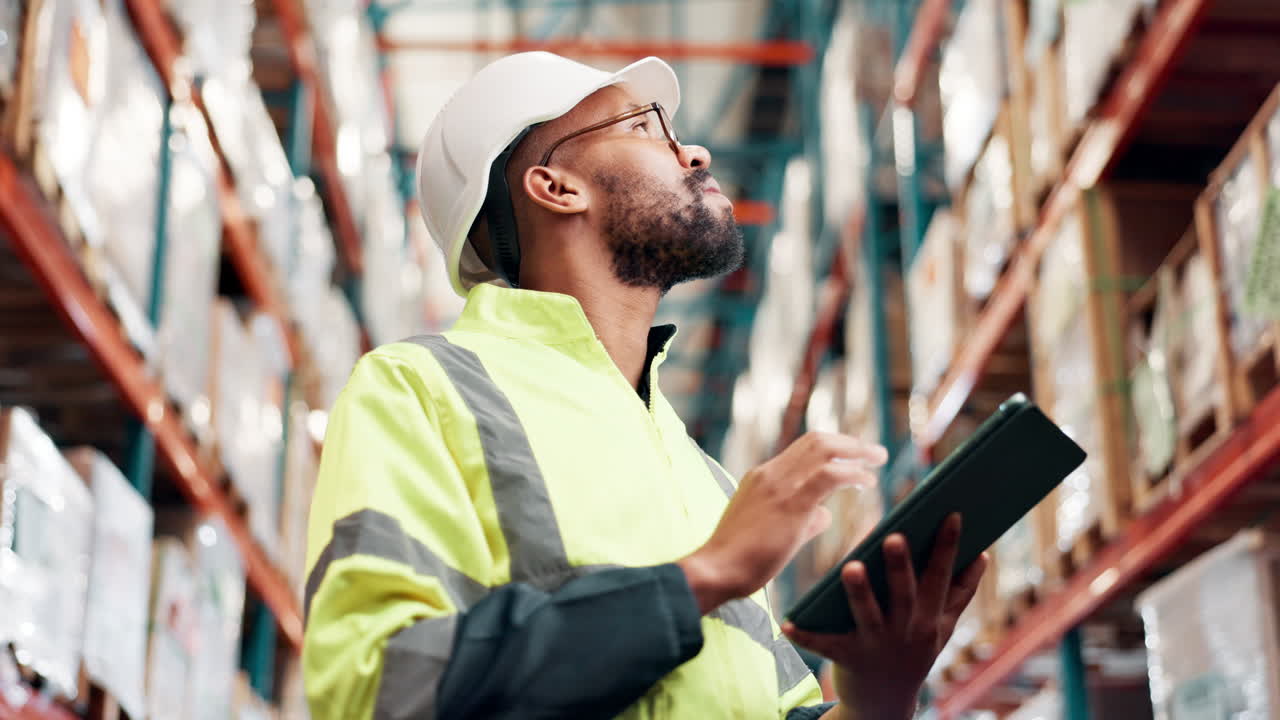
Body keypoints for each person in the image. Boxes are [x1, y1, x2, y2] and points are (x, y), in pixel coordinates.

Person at [302, 51, 987, 720]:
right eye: (640, 127)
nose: (695, 154)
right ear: (556, 186)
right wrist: (703, 576)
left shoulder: (708, 479)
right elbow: (378, 687)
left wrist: (879, 693)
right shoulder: (419, 394)